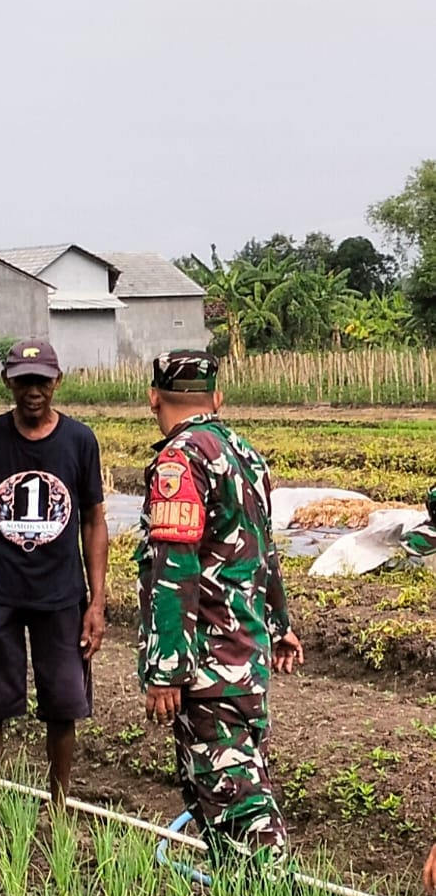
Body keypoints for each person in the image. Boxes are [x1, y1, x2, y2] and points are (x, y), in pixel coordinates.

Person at [136, 350, 304, 866]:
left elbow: (173, 567)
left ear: (153, 398)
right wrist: (279, 626)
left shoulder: (179, 461)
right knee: (229, 788)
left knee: (235, 802)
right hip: (246, 653)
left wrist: (165, 670)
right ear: (218, 398)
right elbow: (263, 547)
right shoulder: (243, 453)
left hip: (210, 661)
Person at [0, 339, 108, 806]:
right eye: (22, 381)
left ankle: (58, 804)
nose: (32, 391)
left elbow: (94, 520)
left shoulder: (79, 441)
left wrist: (96, 602)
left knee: (63, 707)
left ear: (58, 381)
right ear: (7, 382)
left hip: (60, 596)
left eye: (41, 381)